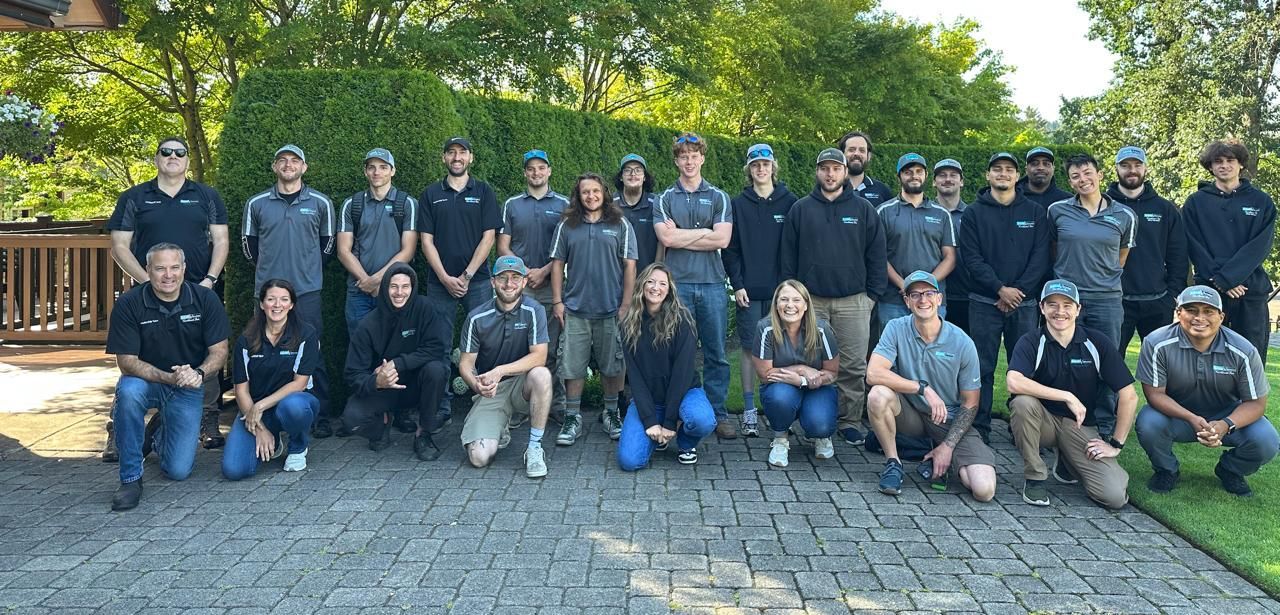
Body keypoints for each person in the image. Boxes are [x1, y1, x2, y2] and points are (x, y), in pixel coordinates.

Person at [106, 136, 229, 455]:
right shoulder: (134, 197)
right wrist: (148, 281)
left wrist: (210, 280)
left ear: (187, 160)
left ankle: (208, 418)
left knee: (206, 351)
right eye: (166, 152)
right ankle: (119, 428)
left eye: (180, 153)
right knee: (135, 360)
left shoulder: (207, 196)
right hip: (148, 292)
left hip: (198, 291)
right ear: (157, 158)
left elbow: (221, 240)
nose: (173, 157)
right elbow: (119, 245)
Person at [104, 243, 230, 511]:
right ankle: (130, 479)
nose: (168, 275)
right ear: (147, 270)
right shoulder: (129, 303)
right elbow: (126, 362)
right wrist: (167, 377)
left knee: (178, 470)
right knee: (128, 392)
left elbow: (219, 353)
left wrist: (198, 373)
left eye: (174, 267)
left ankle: (157, 432)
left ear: (184, 269)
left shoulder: (205, 299)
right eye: (160, 268)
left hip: (187, 384)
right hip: (147, 381)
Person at [780, 148, 886, 447]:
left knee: (852, 365)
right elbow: (787, 256)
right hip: (810, 301)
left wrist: (872, 296)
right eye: (824, 168)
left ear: (844, 172)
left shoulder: (863, 209)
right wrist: (792, 296)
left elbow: (877, 254)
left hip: (854, 300)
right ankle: (808, 419)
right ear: (817, 172)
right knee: (807, 361)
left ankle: (848, 421)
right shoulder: (801, 209)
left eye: (835, 169)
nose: (830, 174)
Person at [1006, 279, 1136, 509]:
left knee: (1114, 496)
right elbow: (1014, 382)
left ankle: (1067, 460)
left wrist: (1116, 444)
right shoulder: (1031, 341)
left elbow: (1128, 395)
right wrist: (1067, 396)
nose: (1060, 312)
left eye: (1067, 305)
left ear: (1078, 310)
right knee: (1022, 403)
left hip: (1079, 426)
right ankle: (1035, 477)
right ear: (1042, 308)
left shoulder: (1097, 342)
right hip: (1042, 421)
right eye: (1053, 304)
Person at [1136, 285, 1277, 497]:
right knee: (1148, 422)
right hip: (1178, 416)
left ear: (1221, 316)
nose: (1199, 318)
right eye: (1191, 310)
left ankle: (1230, 470)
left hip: (1227, 416)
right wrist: (1191, 418)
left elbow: (1256, 404)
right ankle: (1166, 470)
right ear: (1178, 313)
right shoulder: (1156, 342)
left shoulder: (1244, 349)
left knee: (1267, 439)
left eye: (1208, 311)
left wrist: (1225, 424)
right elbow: (1155, 394)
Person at [866, 271, 994, 501]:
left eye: (929, 293)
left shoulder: (962, 342)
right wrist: (922, 388)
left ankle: (938, 455)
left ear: (939, 298)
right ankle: (893, 463)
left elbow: (971, 403)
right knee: (878, 395)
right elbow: (873, 373)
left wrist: (948, 446)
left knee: (984, 490)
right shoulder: (896, 328)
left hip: (949, 419)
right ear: (906, 301)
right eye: (914, 294)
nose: (922, 300)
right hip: (911, 413)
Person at [959, 152, 1052, 443]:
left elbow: (1041, 257)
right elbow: (971, 258)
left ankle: (1020, 428)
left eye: (1009, 170)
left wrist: (1017, 292)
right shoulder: (974, 212)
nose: (1003, 174)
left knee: (1023, 367)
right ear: (988, 176)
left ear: (1017, 175)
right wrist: (1000, 289)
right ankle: (980, 427)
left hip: (1024, 304)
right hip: (984, 302)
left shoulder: (1035, 212)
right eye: (997, 169)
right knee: (982, 367)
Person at [241, 144, 334, 432]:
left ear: (304, 167)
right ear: (274, 167)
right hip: (267, 295)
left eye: (295, 161)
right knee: (262, 351)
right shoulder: (256, 203)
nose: (289, 165)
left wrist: (307, 270)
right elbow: (248, 245)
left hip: (306, 292)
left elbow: (328, 244)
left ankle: (319, 415)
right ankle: (262, 411)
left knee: (312, 353)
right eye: (282, 160)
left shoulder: (320, 202)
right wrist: (272, 278)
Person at [1047, 153, 1137, 436]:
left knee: (1106, 360)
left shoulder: (1125, 215)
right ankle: (1063, 419)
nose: (1082, 180)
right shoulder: (1057, 211)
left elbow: (1121, 257)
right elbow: (1053, 251)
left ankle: (1105, 421)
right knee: (1063, 359)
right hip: (1067, 300)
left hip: (1107, 299)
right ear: (1070, 182)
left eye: (1087, 173)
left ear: (1099, 175)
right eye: (1075, 176)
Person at [654, 132, 736, 438]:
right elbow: (666, 238)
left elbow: (723, 239)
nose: (689, 161)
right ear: (676, 160)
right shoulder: (665, 198)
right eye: (683, 156)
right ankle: (677, 411)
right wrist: (704, 232)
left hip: (713, 284)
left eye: (694, 155)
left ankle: (718, 413)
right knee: (676, 351)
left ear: (702, 158)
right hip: (677, 288)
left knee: (716, 352)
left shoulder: (718, 196)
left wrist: (683, 234)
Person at [334, 147, 419, 437]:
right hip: (358, 290)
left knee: (402, 349)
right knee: (361, 349)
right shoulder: (352, 205)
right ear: (365, 171)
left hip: (395, 292)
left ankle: (403, 408)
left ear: (392, 171)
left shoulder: (407, 203)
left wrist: (379, 282)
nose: (377, 172)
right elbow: (343, 250)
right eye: (371, 167)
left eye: (383, 167)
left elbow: (408, 249)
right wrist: (365, 280)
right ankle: (369, 408)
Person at [549, 173, 638, 444]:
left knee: (613, 365)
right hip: (575, 309)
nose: (591, 196)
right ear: (578, 195)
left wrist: (625, 305)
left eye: (596, 191)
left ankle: (612, 413)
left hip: (611, 309)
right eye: (585, 192)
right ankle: (572, 417)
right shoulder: (567, 225)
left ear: (604, 194)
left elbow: (630, 265)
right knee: (572, 366)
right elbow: (556, 264)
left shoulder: (620, 223)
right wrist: (557, 301)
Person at [420, 136, 502, 427]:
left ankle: (486, 401)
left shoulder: (484, 192)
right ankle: (441, 405)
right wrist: (444, 277)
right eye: (451, 153)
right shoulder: (431, 194)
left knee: (486, 343)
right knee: (438, 345)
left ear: (471, 158)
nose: (457, 157)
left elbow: (489, 237)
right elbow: (425, 241)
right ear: (444, 158)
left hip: (477, 281)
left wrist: (466, 275)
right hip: (439, 283)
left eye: (462, 153)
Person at [722, 143, 797, 437]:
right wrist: (738, 285)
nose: (761, 169)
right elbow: (731, 250)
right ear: (749, 170)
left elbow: (793, 249)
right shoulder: (737, 204)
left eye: (765, 164)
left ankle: (781, 410)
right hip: (748, 292)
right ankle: (751, 411)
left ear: (773, 167)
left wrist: (789, 288)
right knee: (751, 348)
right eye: (755, 165)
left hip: (782, 292)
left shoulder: (789, 202)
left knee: (782, 349)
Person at [341, 263, 450, 460]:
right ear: (384, 288)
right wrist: (376, 382)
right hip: (384, 389)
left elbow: (436, 348)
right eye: (393, 286)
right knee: (352, 419)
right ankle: (382, 423)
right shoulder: (368, 325)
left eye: (405, 286)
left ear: (413, 288)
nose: (399, 292)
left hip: (417, 385)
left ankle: (423, 434)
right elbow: (353, 374)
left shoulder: (425, 308)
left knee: (437, 370)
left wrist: (398, 363)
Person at [458, 256, 554, 478]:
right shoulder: (477, 317)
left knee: (542, 374)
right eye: (502, 278)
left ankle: (534, 447)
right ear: (493, 282)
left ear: (523, 282)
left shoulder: (534, 310)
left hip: (523, 384)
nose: (509, 284)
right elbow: (466, 364)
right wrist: (476, 384)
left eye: (515, 278)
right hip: (492, 391)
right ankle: (499, 427)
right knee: (479, 457)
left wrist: (500, 370)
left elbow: (539, 357)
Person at [1183, 139, 1276, 364]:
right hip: (1209, 292)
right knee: (1205, 356)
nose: (1224, 165)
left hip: (1250, 290)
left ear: (1241, 164)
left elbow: (1260, 246)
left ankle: (1248, 400)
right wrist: (1221, 280)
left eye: (1230, 160)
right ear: (1210, 166)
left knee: (1250, 357)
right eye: (1218, 161)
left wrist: (1230, 278)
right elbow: (1193, 245)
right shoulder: (1196, 203)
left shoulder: (1261, 201)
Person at [616, 263, 715, 470]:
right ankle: (656, 437)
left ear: (669, 289)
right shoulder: (628, 325)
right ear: (642, 286)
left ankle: (686, 443)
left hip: (684, 393)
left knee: (702, 419)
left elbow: (682, 374)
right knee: (629, 462)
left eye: (662, 283)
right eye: (650, 282)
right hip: (650, 399)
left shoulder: (683, 320)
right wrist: (650, 420)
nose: (655, 288)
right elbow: (634, 377)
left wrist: (670, 422)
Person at [497, 149, 570, 426]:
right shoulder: (512, 204)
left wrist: (543, 271)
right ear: (525, 173)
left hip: (552, 286)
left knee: (551, 349)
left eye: (541, 168)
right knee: (518, 346)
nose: (536, 173)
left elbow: (567, 248)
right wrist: (523, 271)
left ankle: (556, 404)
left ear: (549, 171)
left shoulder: (563, 204)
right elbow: (503, 244)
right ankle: (518, 406)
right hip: (520, 287)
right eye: (531, 169)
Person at [221, 279, 321, 479]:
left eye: (284, 299)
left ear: (291, 305)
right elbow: (241, 390)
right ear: (262, 304)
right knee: (234, 470)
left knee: (294, 407)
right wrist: (260, 428)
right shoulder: (246, 339)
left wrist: (259, 407)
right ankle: (273, 439)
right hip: (255, 410)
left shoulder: (305, 334)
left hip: (294, 402)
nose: (277, 305)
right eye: (271, 299)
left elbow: (299, 384)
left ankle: (298, 446)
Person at [1106, 146, 1188, 354]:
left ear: (1146, 169)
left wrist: (1172, 295)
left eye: (1137, 165)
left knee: (1159, 366)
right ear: (1116, 169)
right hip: (1114, 301)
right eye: (1125, 165)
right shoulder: (1103, 206)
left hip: (1157, 301)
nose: (1131, 170)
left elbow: (1178, 254)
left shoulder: (1165, 209)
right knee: (1109, 364)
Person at [750, 280, 839, 467]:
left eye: (796, 300)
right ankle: (780, 438)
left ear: (806, 305)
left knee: (820, 425)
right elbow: (765, 374)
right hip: (781, 388)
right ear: (776, 304)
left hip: (817, 388)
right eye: (784, 299)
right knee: (779, 397)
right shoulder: (765, 328)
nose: (790, 305)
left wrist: (802, 381)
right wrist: (801, 369)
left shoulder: (822, 329)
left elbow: (832, 372)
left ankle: (820, 435)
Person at [875, 153, 957, 328]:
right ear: (899, 177)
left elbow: (950, 258)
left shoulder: (942, 213)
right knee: (893, 352)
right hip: (893, 300)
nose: (914, 176)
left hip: (933, 300)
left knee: (932, 352)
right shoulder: (883, 211)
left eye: (919, 171)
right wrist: (905, 285)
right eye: (908, 172)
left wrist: (926, 287)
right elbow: (878, 257)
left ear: (926, 176)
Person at [933, 158, 970, 334]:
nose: (947, 179)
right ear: (933, 181)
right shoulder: (925, 212)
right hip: (935, 296)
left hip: (965, 295)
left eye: (953, 175)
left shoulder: (972, 214)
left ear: (961, 181)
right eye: (942, 175)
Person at [613, 153, 663, 272]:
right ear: (621, 177)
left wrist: (655, 270)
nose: (633, 174)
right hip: (616, 277)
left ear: (645, 177)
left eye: (638, 170)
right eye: (628, 170)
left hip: (646, 277)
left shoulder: (657, 204)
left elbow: (662, 241)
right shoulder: (609, 204)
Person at [836, 131, 892, 205]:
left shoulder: (882, 191)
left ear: (869, 156)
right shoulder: (830, 189)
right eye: (851, 150)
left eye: (862, 150)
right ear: (841, 154)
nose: (856, 153)